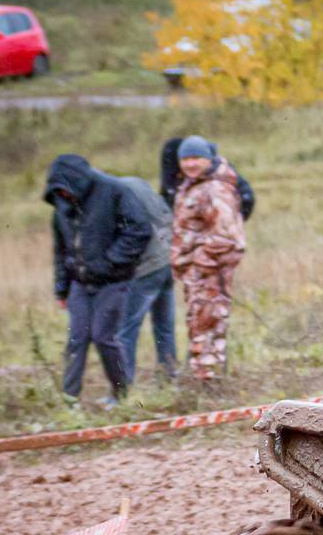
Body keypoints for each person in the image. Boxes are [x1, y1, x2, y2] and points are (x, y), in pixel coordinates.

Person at [43, 153, 152, 406]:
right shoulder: (61, 203)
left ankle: (122, 394)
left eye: (65, 190)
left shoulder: (114, 191)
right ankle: (69, 399)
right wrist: (61, 289)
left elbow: (139, 230)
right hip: (79, 283)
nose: (63, 195)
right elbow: (61, 250)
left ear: (78, 182)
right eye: (58, 191)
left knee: (103, 337)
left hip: (114, 281)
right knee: (77, 338)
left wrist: (110, 260)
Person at [170, 135, 247, 382]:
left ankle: (208, 382)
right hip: (197, 272)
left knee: (208, 323)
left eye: (196, 158)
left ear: (208, 159)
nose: (190, 164)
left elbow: (226, 237)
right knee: (200, 324)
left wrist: (199, 264)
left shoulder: (214, 188)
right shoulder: (192, 185)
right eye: (185, 159)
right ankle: (204, 378)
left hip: (209, 272)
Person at [116, 175, 177, 382]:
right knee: (164, 326)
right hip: (166, 261)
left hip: (146, 269)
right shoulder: (138, 183)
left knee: (125, 330)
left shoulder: (115, 193)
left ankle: (122, 387)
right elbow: (168, 216)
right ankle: (168, 378)